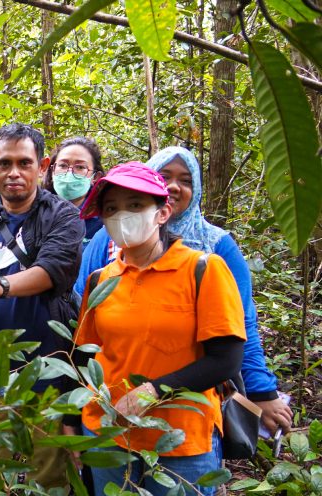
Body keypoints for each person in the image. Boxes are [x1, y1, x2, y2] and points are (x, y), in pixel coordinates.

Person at [74, 162, 246, 496]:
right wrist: (74, 425)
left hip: (181, 438)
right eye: (111, 208)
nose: (122, 216)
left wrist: (151, 391)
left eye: (135, 205)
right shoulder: (99, 281)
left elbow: (225, 359)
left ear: (162, 212)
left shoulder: (203, 269)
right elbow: (87, 356)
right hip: (108, 433)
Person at [74, 146, 292, 435]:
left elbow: (241, 327)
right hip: (111, 417)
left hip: (184, 419)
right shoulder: (106, 242)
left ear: (161, 210)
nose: (174, 187)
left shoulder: (213, 250)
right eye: (164, 177)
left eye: (186, 180)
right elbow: (85, 331)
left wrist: (262, 391)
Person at [0, 123, 84, 489]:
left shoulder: (63, 216)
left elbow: (52, 271)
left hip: (47, 371)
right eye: (4, 163)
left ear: (43, 166)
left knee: (49, 478)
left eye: (24, 163)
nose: (14, 173)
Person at [42, 136, 105, 250]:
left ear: (95, 177)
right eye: (63, 165)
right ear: (52, 171)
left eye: (80, 167)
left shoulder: (105, 219)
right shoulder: (35, 211)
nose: (69, 173)